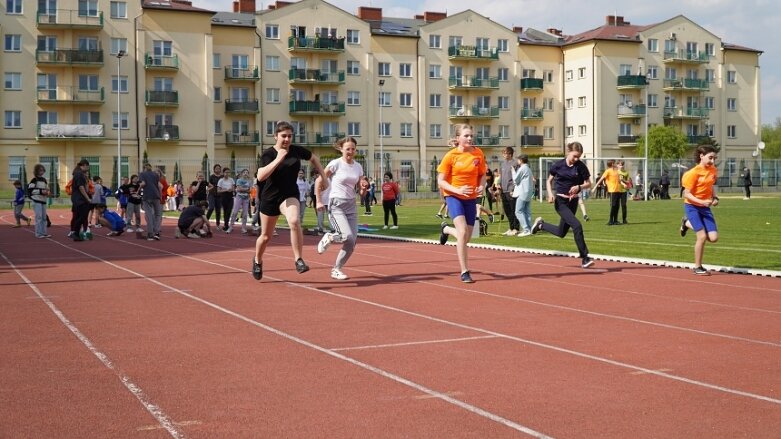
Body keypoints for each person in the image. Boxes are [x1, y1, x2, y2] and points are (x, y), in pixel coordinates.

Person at [252, 121, 326, 280]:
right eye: (283, 136)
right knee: (266, 237)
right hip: (270, 197)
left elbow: (314, 158)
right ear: (275, 136)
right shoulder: (268, 154)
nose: (286, 139)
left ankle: (298, 259)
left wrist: (324, 177)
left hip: (289, 194)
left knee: (294, 221)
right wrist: (278, 159)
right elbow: (260, 176)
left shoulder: (295, 150)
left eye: (289, 136)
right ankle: (257, 260)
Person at [531, 141, 595, 269]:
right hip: (561, 201)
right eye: (574, 156)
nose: (576, 159)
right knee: (577, 225)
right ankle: (585, 257)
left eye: (579, 157)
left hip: (573, 201)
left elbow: (589, 183)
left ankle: (541, 225)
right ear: (569, 152)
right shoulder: (558, 165)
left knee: (561, 232)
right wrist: (550, 194)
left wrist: (579, 186)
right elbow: (549, 181)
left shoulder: (580, 166)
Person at [437, 124, 487, 283]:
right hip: (454, 196)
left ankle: (446, 229)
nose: (470, 138)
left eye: (471, 135)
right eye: (466, 136)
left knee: (467, 237)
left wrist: (482, 186)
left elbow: (482, 175)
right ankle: (465, 271)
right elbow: (440, 181)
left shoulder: (478, 154)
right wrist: (457, 191)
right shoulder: (450, 156)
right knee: (463, 231)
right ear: (458, 138)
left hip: (471, 198)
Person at [316, 137, 363, 280]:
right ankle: (330, 236)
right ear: (341, 149)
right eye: (347, 149)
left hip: (351, 205)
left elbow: (360, 185)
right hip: (337, 204)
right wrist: (318, 201)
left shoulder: (358, 166)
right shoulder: (335, 164)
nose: (350, 151)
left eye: (353, 149)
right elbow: (319, 180)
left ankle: (336, 269)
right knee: (346, 235)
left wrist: (363, 189)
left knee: (351, 241)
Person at [679, 145, 720, 276]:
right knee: (701, 237)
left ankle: (686, 223)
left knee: (713, 238)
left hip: (705, 208)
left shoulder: (713, 170)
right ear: (701, 156)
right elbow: (686, 194)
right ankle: (697, 267)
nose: (713, 161)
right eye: (710, 158)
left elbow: (711, 186)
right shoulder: (692, 173)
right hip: (692, 206)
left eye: (714, 158)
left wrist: (715, 198)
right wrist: (701, 201)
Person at [137, 163, 162, 240]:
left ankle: (150, 234)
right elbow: (160, 186)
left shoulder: (142, 174)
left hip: (147, 196)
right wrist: (160, 196)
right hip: (156, 195)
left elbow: (143, 183)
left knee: (149, 214)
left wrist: (138, 191)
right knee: (158, 214)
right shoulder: (155, 174)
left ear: (144, 168)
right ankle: (157, 232)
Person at [499, 147, 520, 236]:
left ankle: (516, 228)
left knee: (514, 210)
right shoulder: (503, 164)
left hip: (511, 190)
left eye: (505, 153)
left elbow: (517, 177)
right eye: (503, 153)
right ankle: (511, 228)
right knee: (507, 210)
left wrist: (513, 189)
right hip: (503, 190)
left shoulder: (515, 163)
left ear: (510, 154)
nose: (504, 155)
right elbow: (501, 175)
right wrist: (499, 184)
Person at [69, 159, 92, 241]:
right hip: (80, 199)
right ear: (85, 165)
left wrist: (86, 181)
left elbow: (85, 187)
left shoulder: (80, 174)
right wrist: (88, 198)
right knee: (82, 216)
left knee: (80, 216)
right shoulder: (79, 174)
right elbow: (81, 188)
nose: (88, 168)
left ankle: (76, 234)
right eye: (88, 166)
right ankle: (75, 233)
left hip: (77, 199)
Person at [512, 154, 534, 236]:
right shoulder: (528, 168)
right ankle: (529, 228)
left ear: (521, 160)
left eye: (518, 160)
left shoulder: (522, 168)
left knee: (518, 211)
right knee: (526, 211)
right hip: (528, 192)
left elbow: (515, 180)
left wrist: (513, 172)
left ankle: (526, 229)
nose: (517, 161)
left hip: (523, 192)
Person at [594, 160, 621, 225]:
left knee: (617, 206)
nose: (615, 164)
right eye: (614, 163)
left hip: (618, 190)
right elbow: (601, 179)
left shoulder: (616, 170)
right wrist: (595, 187)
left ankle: (615, 220)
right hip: (612, 191)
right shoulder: (608, 171)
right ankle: (610, 220)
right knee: (613, 206)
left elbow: (618, 180)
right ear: (612, 164)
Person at [28, 164, 51, 238]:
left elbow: (47, 188)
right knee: (39, 217)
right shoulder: (34, 180)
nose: (42, 172)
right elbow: (30, 191)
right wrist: (41, 192)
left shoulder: (44, 180)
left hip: (43, 200)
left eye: (43, 170)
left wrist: (48, 192)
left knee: (44, 218)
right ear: (36, 171)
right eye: (40, 170)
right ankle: (38, 234)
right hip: (36, 200)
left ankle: (44, 233)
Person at [228, 168, 251, 234]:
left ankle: (243, 228)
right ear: (242, 174)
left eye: (247, 172)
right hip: (239, 197)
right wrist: (245, 189)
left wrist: (244, 189)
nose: (246, 173)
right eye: (244, 172)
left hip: (246, 198)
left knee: (245, 214)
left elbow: (250, 190)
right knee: (235, 212)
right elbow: (238, 189)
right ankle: (231, 227)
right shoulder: (238, 180)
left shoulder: (249, 181)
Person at [217, 167, 235, 232]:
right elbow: (218, 190)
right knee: (225, 211)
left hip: (230, 196)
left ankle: (226, 224)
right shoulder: (221, 180)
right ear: (223, 173)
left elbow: (233, 188)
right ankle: (226, 225)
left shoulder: (231, 180)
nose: (227, 174)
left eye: (228, 172)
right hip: (224, 196)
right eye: (226, 172)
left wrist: (231, 189)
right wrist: (225, 190)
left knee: (229, 211)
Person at [206, 164, 223, 229]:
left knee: (218, 210)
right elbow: (208, 185)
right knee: (211, 208)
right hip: (212, 194)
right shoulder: (211, 176)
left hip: (219, 195)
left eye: (219, 168)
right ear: (214, 169)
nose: (218, 169)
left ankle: (218, 224)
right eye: (216, 168)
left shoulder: (222, 177)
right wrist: (207, 190)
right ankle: (206, 220)